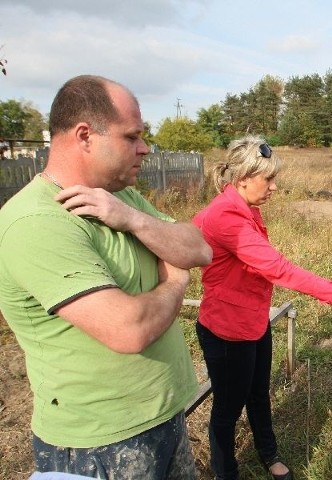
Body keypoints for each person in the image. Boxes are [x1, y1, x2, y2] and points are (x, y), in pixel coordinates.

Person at [0, 75, 213, 479]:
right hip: (98, 445)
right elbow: (128, 331)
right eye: (132, 136)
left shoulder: (118, 196)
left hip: (162, 416)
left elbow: (198, 248)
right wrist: (174, 280)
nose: (144, 148)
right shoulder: (36, 222)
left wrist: (133, 219)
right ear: (85, 136)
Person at [192, 135, 332, 480]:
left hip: (253, 320)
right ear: (243, 179)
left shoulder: (244, 209)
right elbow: (278, 268)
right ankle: (226, 473)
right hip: (226, 331)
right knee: (227, 410)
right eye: (269, 179)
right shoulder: (225, 218)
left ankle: (269, 453)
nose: (275, 187)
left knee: (258, 392)